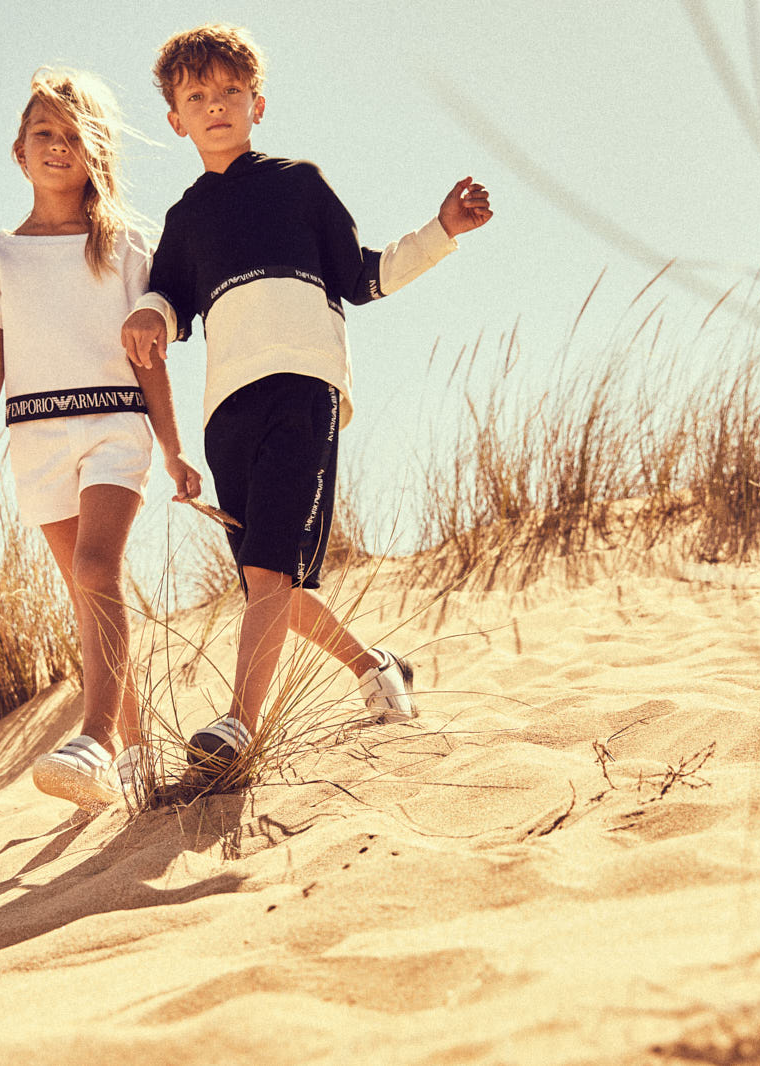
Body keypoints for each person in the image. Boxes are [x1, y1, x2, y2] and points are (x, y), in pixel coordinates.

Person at [121, 24, 494, 782]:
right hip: (227, 411)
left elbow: (363, 276)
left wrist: (441, 231)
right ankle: (376, 666)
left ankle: (239, 726)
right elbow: (169, 299)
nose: (215, 106)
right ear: (175, 120)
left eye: (230, 92)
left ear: (257, 103)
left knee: (267, 575)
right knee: (273, 587)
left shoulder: (299, 183)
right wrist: (148, 317)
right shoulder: (186, 217)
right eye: (197, 97)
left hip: (306, 386)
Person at [0, 68, 201, 812]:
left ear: (95, 154)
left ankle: (92, 738)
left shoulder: (124, 247)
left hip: (114, 424)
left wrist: (172, 446)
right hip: (36, 437)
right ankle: (136, 755)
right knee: (87, 592)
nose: (59, 147)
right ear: (19, 152)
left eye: (74, 136)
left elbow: (147, 357)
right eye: (44, 134)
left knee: (98, 566)